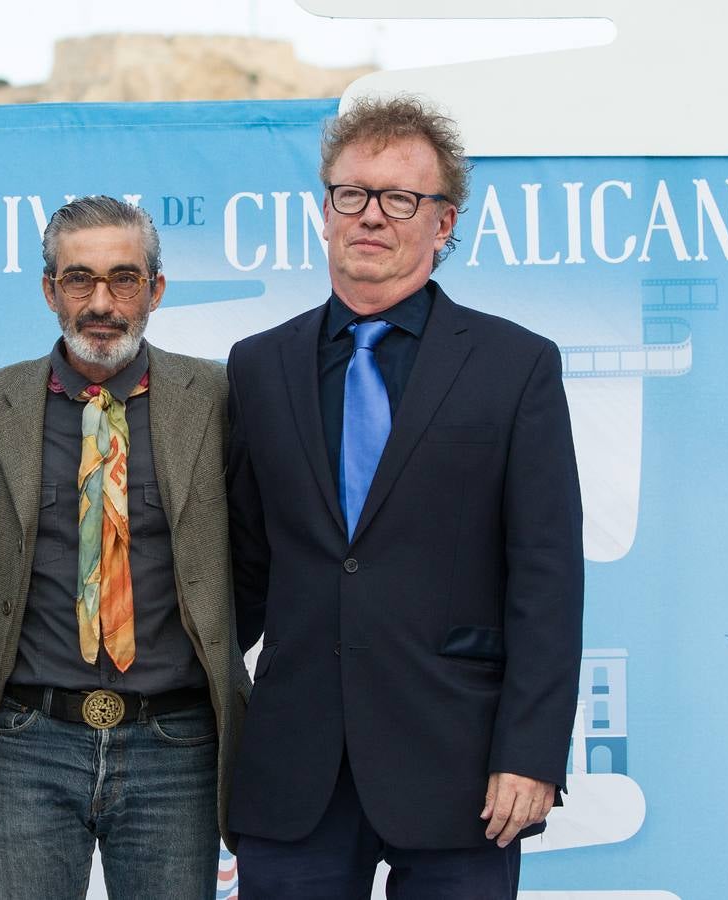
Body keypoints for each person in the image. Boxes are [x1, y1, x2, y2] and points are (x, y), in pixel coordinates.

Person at [225, 95, 584, 897]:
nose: (372, 216)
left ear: (443, 222)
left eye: (401, 199)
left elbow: (547, 577)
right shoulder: (257, 367)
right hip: (296, 771)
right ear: (325, 211)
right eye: (352, 193)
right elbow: (244, 567)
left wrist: (531, 752)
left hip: (461, 769)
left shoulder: (515, 365)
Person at [0, 196, 246, 899]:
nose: (102, 302)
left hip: (176, 747)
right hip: (27, 743)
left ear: (155, 290)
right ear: (49, 291)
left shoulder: (216, 397)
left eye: (123, 279)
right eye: (79, 279)